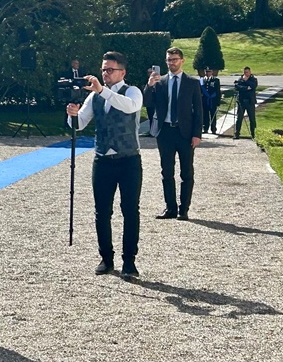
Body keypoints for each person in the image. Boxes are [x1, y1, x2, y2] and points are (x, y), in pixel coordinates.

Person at [66, 51, 144, 278]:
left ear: (122, 72)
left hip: (128, 158)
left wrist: (103, 90)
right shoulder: (95, 97)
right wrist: (71, 114)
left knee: (130, 210)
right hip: (102, 158)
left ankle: (129, 260)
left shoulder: (133, 92)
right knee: (102, 211)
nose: (105, 74)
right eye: (103, 70)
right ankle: (106, 257)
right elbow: (80, 124)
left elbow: (129, 107)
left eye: (110, 70)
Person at [143, 47, 203, 221]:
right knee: (166, 172)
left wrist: (197, 134)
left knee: (187, 173)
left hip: (185, 132)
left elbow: (198, 111)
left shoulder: (192, 82)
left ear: (182, 61)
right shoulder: (159, 82)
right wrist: (149, 86)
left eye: (175, 59)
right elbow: (146, 102)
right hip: (166, 132)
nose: (172, 63)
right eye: (169, 60)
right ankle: (170, 208)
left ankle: (184, 209)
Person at [234, 67, 259, 139]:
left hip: (250, 102)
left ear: (250, 72)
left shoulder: (254, 79)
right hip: (241, 101)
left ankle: (253, 134)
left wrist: (246, 81)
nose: (246, 74)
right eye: (245, 72)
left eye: (247, 72)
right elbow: (237, 87)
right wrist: (246, 88)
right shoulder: (240, 79)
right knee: (239, 118)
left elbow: (253, 86)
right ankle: (237, 133)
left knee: (252, 119)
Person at [200, 67, 222, 135]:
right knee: (205, 115)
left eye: (209, 71)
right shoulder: (202, 80)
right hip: (205, 100)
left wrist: (218, 101)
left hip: (212, 101)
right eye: (206, 71)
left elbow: (217, 91)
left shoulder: (215, 80)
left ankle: (213, 129)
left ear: (212, 72)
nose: (208, 73)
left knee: (213, 115)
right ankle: (205, 128)